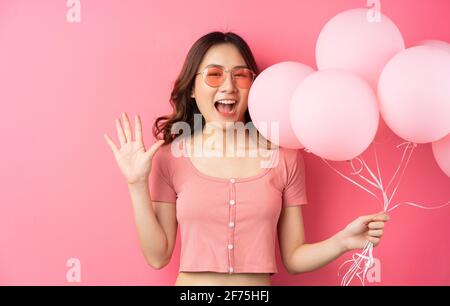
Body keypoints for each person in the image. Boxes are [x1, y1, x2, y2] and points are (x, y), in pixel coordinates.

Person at [104, 31, 389, 286]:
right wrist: (136, 184)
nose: (228, 86)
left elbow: (293, 257)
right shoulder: (170, 158)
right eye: (214, 75)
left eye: (240, 75)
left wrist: (343, 241)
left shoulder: (284, 158)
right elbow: (158, 256)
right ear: (192, 88)